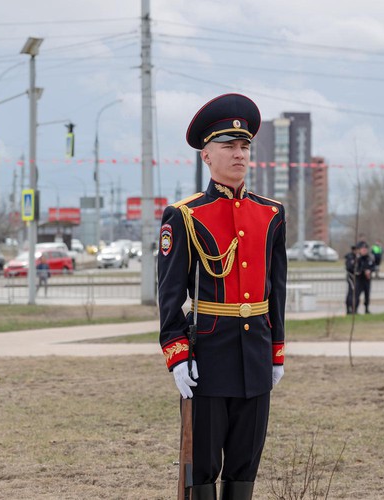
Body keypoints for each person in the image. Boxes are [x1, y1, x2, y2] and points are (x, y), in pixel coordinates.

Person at [157, 93, 287, 500]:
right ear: (206, 156)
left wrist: (277, 350)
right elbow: (170, 292)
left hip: (255, 351)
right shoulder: (186, 215)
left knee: (246, 461)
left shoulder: (271, 213)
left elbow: (276, 289)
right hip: (208, 355)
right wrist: (177, 353)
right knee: (203, 465)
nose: (239, 154)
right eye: (228, 146)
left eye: (244, 146)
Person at [354, 241, 375, 314]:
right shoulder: (357, 258)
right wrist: (363, 271)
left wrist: (370, 271)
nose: (364, 250)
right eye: (363, 249)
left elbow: (373, 267)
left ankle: (366, 309)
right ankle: (355, 309)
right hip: (359, 280)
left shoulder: (370, 258)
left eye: (365, 249)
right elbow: (355, 269)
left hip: (367, 280)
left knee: (367, 295)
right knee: (357, 295)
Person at [344, 245, 357, 314]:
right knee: (350, 293)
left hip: (355, 277)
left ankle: (353, 308)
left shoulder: (356, 257)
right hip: (350, 277)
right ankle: (348, 308)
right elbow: (349, 267)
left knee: (354, 294)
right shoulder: (350, 257)